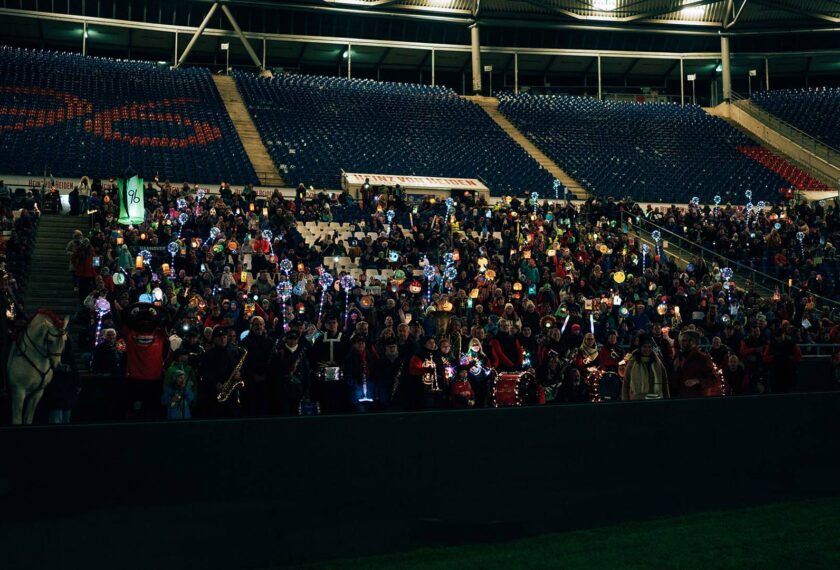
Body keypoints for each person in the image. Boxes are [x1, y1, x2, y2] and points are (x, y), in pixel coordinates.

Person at [197, 327, 240, 418]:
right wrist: (215, 383)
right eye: (219, 337)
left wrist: (239, 374)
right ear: (214, 339)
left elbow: (239, 368)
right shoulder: (208, 355)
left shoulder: (234, 352)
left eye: (224, 337)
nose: (222, 339)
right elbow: (204, 373)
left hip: (231, 392)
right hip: (214, 393)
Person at [269, 330, 309, 415]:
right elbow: (274, 372)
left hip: (298, 389)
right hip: (283, 389)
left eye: (294, 339)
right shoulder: (279, 353)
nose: (292, 341)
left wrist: (306, 389)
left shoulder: (301, 353)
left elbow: (305, 372)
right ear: (286, 340)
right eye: (290, 339)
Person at [622, 335, 669, 401]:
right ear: (640, 347)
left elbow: (664, 382)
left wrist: (667, 399)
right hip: (637, 400)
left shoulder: (657, 362)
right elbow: (626, 384)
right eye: (644, 347)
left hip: (656, 399)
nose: (647, 349)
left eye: (650, 347)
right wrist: (625, 401)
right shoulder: (632, 362)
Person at [673, 329, 718, 398]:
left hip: (698, 399)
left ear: (693, 342)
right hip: (682, 397)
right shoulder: (679, 356)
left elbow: (714, 380)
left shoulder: (703, 358)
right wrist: (675, 369)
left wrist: (697, 381)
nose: (681, 343)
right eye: (680, 341)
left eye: (684, 340)